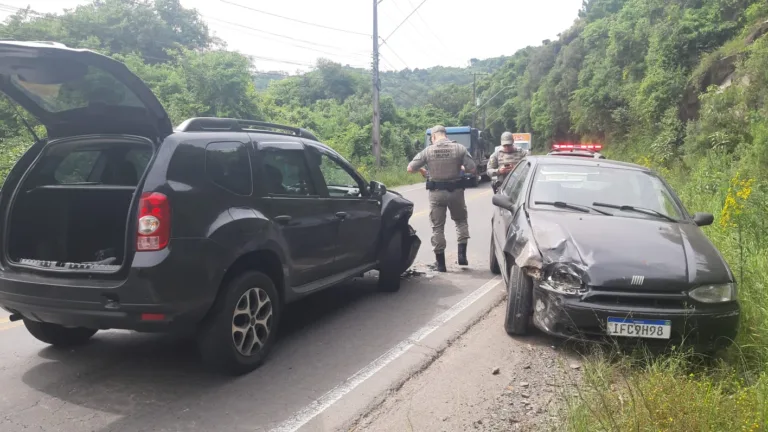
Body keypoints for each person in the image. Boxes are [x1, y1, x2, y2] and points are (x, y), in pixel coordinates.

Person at [407, 125, 477, 272]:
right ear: (445, 134)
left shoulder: (428, 151)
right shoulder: (459, 148)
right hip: (456, 192)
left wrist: (423, 170)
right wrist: (460, 168)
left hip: (436, 193)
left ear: (433, 137)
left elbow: (410, 168)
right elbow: (472, 168)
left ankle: (441, 264)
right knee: (461, 221)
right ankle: (462, 256)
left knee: (437, 228)